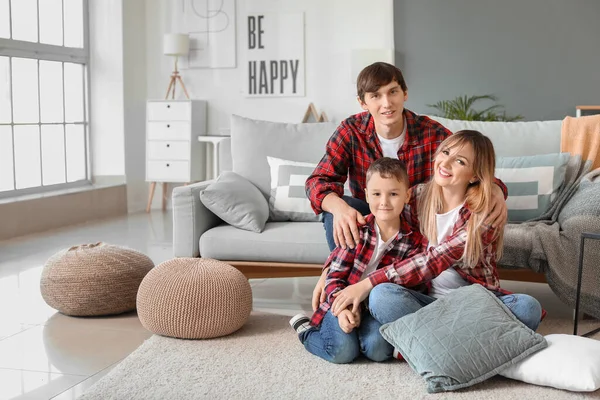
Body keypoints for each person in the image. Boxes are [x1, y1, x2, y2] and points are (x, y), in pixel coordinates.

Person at [305, 61, 508, 310]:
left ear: (405, 94)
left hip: (414, 226)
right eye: (375, 96)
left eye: (392, 92)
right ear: (363, 102)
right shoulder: (351, 131)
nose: (386, 103)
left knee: (524, 307)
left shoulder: (430, 132)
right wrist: (338, 210)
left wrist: (496, 190)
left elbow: (467, 165)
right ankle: (340, 282)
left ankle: (389, 296)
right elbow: (319, 181)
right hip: (371, 218)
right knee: (340, 207)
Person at [328, 130, 543, 362]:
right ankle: (466, 345)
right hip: (426, 304)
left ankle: (429, 342)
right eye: (446, 152)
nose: (446, 163)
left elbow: (433, 260)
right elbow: (377, 227)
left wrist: (367, 283)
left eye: (460, 161)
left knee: (527, 307)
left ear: (474, 175)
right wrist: (328, 270)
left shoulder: (483, 212)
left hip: (474, 305)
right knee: (382, 296)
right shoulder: (418, 197)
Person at [289, 157, 423, 364]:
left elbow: (407, 287)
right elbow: (334, 277)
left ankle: (359, 339)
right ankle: (306, 332)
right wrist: (342, 311)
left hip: (373, 311)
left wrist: (362, 310)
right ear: (367, 195)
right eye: (377, 194)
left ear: (406, 196)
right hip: (340, 301)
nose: (384, 202)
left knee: (379, 351)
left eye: (393, 194)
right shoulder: (356, 230)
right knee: (342, 352)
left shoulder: (414, 242)